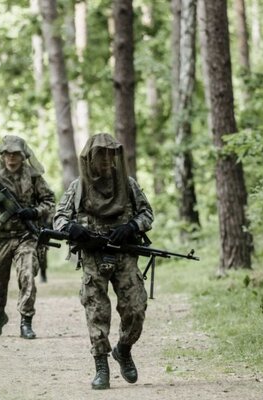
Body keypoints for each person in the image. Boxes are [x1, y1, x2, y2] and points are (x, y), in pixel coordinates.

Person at [53, 133, 153, 390]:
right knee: (96, 310)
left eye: (110, 156)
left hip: (124, 253)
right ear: (90, 159)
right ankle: (101, 365)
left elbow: (147, 213)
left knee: (136, 308)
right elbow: (59, 218)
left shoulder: (127, 185)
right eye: (101, 157)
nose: (106, 162)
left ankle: (124, 349)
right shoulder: (78, 187)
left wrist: (131, 226)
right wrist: (72, 229)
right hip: (92, 256)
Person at [0, 135, 55, 339]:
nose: (12, 158)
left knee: (26, 274)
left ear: (23, 155)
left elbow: (50, 201)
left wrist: (34, 212)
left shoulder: (33, 176)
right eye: (8, 154)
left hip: (25, 235)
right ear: (2, 155)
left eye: (16, 154)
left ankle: (26, 321)